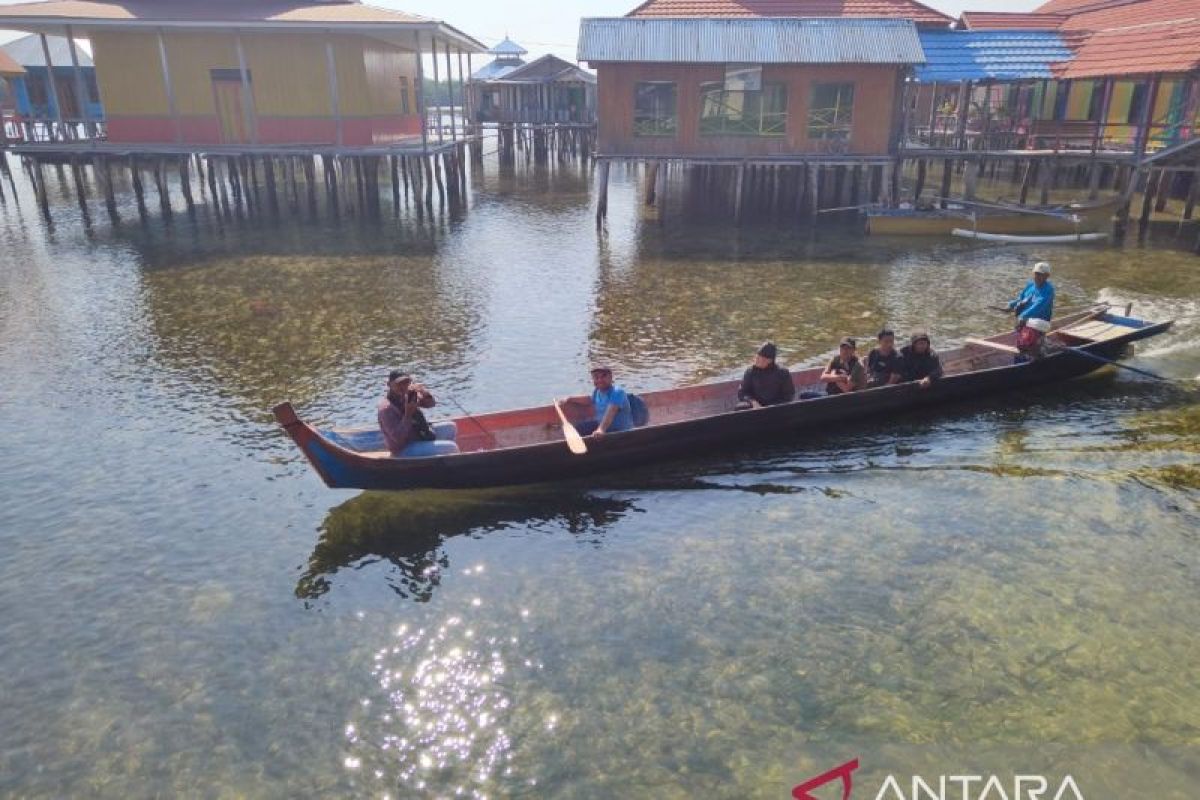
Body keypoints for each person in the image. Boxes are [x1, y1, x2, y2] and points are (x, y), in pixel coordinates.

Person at [377, 370, 459, 457]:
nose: (403, 386)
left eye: (406, 382)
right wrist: (408, 414)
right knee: (451, 447)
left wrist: (424, 392)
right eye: (399, 383)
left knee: (451, 427)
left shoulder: (408, 396)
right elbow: (398, 439)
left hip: (417, 436)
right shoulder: (386, 409)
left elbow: (430, 404)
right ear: (389, 385)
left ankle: (435, 459)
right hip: (403, 448)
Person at [572, 366, 633, 437]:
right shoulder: (597, 391)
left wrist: (601, 429)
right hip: (603, 426)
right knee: (579, 427)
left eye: (603, 376)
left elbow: (611, 411)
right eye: (596, 377)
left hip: (620, 432)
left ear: (610, 378)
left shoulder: (617, 392)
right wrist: (570, 399)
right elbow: (589, 400)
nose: (599, 380)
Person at [736, 342, 795, 409]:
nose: (756, 359)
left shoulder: (783, 372)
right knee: (739, 408)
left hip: (776, 407)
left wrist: (771, 407)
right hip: (756, 406)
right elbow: (742, 392)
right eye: (756, 356)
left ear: (769, 360)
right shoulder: (751, 371)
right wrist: (753, 402)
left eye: (759, 357)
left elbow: (788, 396)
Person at [1007, 261, 1055, 327]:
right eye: (1036, 274)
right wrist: (1011, 305)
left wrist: (1023, 316)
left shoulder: (1048, 290)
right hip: (1024, 319)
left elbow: (1038, 306)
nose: (1037, 277)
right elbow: (1021, 299)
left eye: (1041, 274)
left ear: (1047, 276)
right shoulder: (1030, 285)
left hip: (1039, 323)